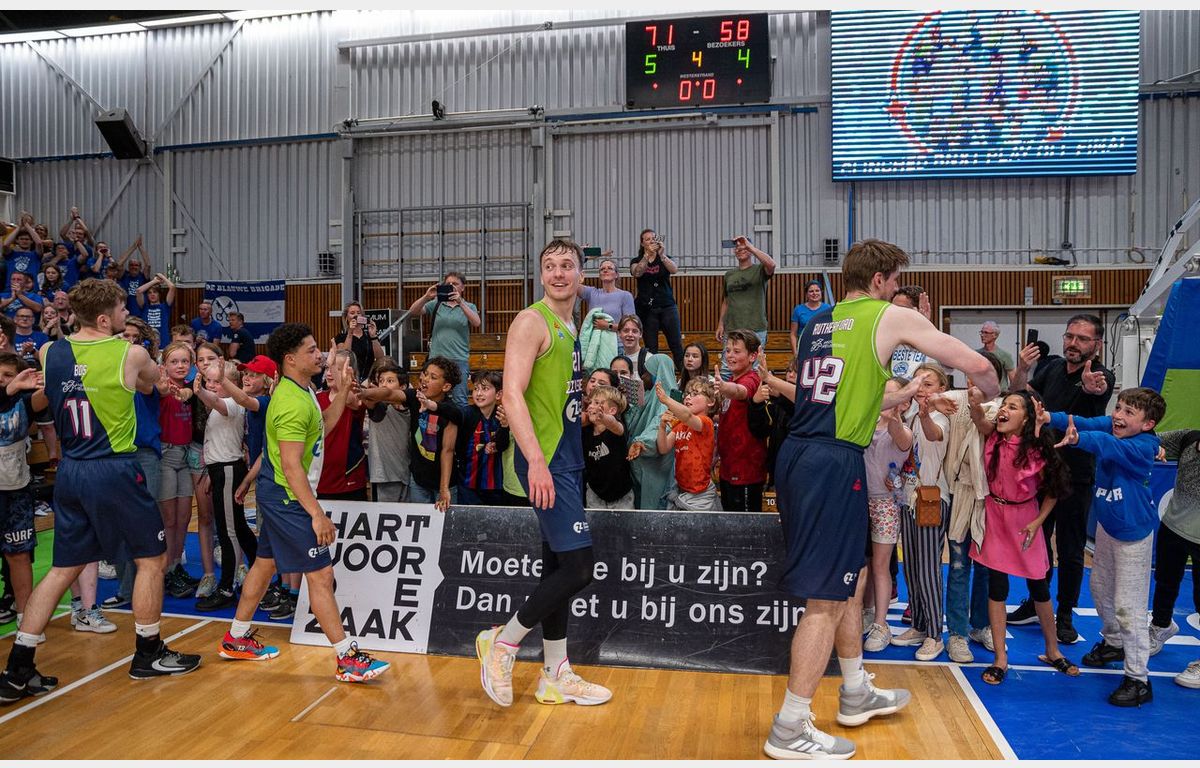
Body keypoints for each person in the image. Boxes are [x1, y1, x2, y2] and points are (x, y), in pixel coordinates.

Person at [765, 239, 998, 760]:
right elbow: (971, 361)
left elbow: (850, 394)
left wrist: (907, 392)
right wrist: (987, 389)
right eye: (894, 283)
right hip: (832, 461)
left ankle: (855, 690)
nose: (897, 292)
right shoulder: (887, 316)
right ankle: (789, 726)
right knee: (825, 601)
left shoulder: (819, 321)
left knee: (850, 584)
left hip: (803, 455)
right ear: (879, 281)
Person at [1, 279, 201, 704]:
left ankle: (18, 667)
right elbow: (151, 384)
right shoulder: (131, 353)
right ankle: (148, 651)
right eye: (123, 309)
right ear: (106, 318)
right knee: (152, 559)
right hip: (114, 468)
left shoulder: (49, 351)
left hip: (71, 469)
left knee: (63, 568)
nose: (128, 315)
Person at [477, 239, 612, 709]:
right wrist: (535, 460)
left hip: (567, 457)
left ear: (580, 275)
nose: (558, 273)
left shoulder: (570, 324)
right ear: (540, 275)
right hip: (546, 459)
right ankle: (503, 641)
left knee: (557, 566)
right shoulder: (531, 321)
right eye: (550, 266)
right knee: (579, 567)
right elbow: (511, 393)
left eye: (567, 265)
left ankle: (555, 674)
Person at [217, 323, 390, 683]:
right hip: (288, 497)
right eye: (311, 350)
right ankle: (347, 658)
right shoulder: (292, 404)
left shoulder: (302, 389)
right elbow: (292, 465)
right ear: (291, 359)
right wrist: (316, 514)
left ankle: (236, 637)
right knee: (321, 575)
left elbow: (323, 425)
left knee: (264, 566)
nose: (320, 355)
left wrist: (343, 392)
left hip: (279, 493)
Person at [1044, 389, 1165, 706]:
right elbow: (1085, 421)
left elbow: (1104, 444)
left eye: (1129, 412)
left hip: (1133, 535)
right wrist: (1049, 417)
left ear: (1148, 424)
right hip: (1109, 528)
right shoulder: (1115, 426)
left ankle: (1139, 680)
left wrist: (1077, 440)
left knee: (1129, 607)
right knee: (1098, 588)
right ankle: (1114, 642)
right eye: (1119, 408)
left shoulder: (1143, 447)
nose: (1119, 416)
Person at [1007, 314, 1115, 643]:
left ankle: (1065, 614)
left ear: (1097, 344)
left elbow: (1099, 388)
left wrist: (1094, 387)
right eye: (1070, 336)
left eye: (1082, 339)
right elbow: (1021, 395)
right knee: (1036, 542)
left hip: (1075, 474)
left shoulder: (1099, 374)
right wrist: (1022, 369)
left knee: (1070, 549)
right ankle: (1036, 602)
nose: (1073, 343)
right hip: (1040, 470)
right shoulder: (1052, 367)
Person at [969, 390, 1077, 685]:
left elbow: (1053, 491)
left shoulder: (1036, 450)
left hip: (1025, 520)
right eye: (1004, 405)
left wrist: (1038, 522)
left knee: (1039, 586)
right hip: (995, 517)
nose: (1004, 410)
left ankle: (1052, 650)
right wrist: (973, 401)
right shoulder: (993, 438)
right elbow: (979, 419)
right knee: (997, 586)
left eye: (1013, 407)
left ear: (1027, 419)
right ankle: (1000, 658)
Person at [924, 352, 1007, 663]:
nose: (977, 378)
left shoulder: (1003, 406)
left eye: (985, 373)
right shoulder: (954, 399)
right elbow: (926, 399)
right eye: (973, 371)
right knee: (959, 566)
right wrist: (933, 401)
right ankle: (957, 633)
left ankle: (980, 625)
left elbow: (986, 427)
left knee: (986, 566)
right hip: (959, 492)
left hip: (990, 497)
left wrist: (975, 408)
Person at [894, 363, 952, 662]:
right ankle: (918, 623)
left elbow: (934, 435)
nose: (922, 389)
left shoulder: (940, 415)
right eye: (918, 383)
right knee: (912, 566)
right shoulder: (911, 415)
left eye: (928, 384)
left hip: (931, 498)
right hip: (909, 498)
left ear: (942, 388)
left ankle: (934, 634)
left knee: (928, 568)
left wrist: (927, 414)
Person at [192, 359, 255, 611]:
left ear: (231, 384)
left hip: (228, 469)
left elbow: (215, 401)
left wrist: (199, 390)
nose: (212, 385)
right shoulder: (221, 406)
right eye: (209, 381)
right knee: (238, 527)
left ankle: (227, 587)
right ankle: (260, 570)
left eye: (217, 382)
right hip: (221, 469)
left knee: (228, 530)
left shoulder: (232, 404)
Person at [861, 377, 914, 655]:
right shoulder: (864, 424)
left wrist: (893, 413)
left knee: (881, 565)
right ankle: (866, 611)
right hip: (858, 500)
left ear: (904, 403)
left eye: (892, 395)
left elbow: (899, 435)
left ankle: (881, 625)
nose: (884, 398)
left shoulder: (903, 431)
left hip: (885, 504)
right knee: (863, 564)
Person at [1149, 429, 1200, 664]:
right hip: (1173, 526)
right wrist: (1152, 445)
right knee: (1165, 582)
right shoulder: (1189, 439)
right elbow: (1150, 439)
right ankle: (1161, 626)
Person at [0, 354, 39, 644]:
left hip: (16, 490)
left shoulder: (24, 403)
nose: (3, 380)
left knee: (19, 555)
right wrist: (9, 389)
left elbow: (47, 397)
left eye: (8, 375)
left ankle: (26, 621)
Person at [714, 330, 767, 512]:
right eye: (728, 351)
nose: (730, 355)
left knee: (746, 524)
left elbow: (740, 391)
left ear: (752, 356)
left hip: (746, 470)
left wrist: (723, 387)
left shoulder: (752, 378)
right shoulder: (731, 378)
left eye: (737, 351)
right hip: (728, 466)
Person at [401, 357, 463, 510]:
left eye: (433, 377)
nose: (425, 379)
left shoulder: (451, 411)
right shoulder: (415, 397)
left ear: (446, 386)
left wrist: (444, 488)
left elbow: (448, 451)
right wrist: (364, 392)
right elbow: (389, 394)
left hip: (444, 483)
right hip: (419, 481)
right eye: (425, 373)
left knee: (445, 523)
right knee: (419, 522)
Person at [409, 275, 480, 407]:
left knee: (460, 399)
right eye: (448, 283)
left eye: (455, 283)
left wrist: (460, 302)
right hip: (436, 359)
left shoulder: (469, 306)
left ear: (463, 287)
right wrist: (426, 297)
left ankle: (459, 421)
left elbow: (476, 322)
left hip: (459, 358)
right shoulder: (436, 304)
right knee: (432, 396)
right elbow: (413, 311)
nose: (451, 286)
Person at [657, 378, 718, 511]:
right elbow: (663, 448)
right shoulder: (680, 425)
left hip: (701, 494)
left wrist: (666, 399)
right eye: (687, 394)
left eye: (695, 394)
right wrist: (662, 426)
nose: (688, 397)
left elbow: (688, 416)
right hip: (682, 489)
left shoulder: (706, 422)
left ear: (711, 402)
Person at [716, 236, 776, 372]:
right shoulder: (729, 275)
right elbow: (726, 300)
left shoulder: (759, 270)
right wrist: (721, 324)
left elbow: (772, 265)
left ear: (750, 250)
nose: (740, 249)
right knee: (727, 368)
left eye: (744, 247)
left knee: (754, 369)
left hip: (755, 328)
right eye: (737, 247)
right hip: (732, 328)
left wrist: (751, 247)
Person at [630, 228, 683, 369]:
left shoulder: (664, 258)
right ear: (642, 243)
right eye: (647, 239)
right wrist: (647, 256)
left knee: (676, 344)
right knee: (651, 347)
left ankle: (685, 376)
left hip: (667, 306)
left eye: (653, 238)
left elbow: (674, 270)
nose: (651, 241)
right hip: (646, 309)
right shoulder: (636, 260)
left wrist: (662, 255)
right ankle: (654, 378)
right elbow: (637, 273)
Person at [457, 371, 511, 506]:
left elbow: (503, 445)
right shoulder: (466, 413)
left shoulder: (502, 415)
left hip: (496, 485)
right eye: (476, 388)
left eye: (485, 389)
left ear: (498, 394)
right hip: (468, 484)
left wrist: (505, 427)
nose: (479, 393)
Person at [364, 358, 412, 504]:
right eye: (381, 381)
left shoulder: (412, 406)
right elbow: (369, 400)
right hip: (384, 476)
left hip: (407, 474)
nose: (384, 384)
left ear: (403, 386)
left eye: (390, 381)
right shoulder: (379, 407)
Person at [583, 384, 632, 510]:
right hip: (595, 492)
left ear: (612, 411)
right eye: (591, 402)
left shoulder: (617, 428)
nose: (591, 406)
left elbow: (614, 424)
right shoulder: (586, 430)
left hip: (621, 494)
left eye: (598, 403)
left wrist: (603, 417)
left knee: (624, 522)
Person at [578, 256, 635, 331]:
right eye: (602, 269)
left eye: (610, 268)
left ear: (616, 275)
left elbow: (630, 325)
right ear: (599, 275)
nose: (605, 270)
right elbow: (572, 285)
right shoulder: (591, 293)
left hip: (616, 338)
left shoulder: (625, 296)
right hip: (594, 338)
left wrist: (608, 326)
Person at [789, 280, 832, 356]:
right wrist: (795, 353)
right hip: (804, 348)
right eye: (811, 291)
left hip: (823, 349)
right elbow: (793, 334)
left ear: (821, 292)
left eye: (817, 291)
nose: (814, 293)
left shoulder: (828, 308)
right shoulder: (798, 310)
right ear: (806, 294)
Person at [135, 272, 176, 348]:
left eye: (155, 292)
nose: (152, 294)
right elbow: (139, 291)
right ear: (147, 295)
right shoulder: (144, 307)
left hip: (163, 343)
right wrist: (154, 281)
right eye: (149, 293)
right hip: (147, 343)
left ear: (159, 294)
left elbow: (172, 287)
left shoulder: (165, 306)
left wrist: (161, 276)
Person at [976, 321, 1014, 390]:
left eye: (986, 332)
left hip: (1000, 393)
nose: (982, 335)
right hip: (980, 392)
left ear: (995, 335)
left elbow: (1013, 379)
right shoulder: (976, 354)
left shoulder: (1005, 355)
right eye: (981, 332)